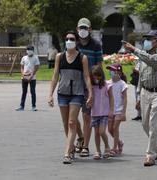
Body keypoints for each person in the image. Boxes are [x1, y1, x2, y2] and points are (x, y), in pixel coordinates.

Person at [123, 30, 157, 167]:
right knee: (145, 124)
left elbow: (153, 62)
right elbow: (141, 77)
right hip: (145, 92)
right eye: (146, 38)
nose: (147, 41)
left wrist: (134, 50)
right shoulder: (144, 55)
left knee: (153, 124)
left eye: (150, 38)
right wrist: (138, 96)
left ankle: (150, 155)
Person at [48, 31, 92, 164]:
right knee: (66, 123)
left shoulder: (82, 58)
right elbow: (55, 76)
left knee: (72, 122)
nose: (69, 41)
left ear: (76, 41)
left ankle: (67, 153)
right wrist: (50, 94)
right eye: (67, 39)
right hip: (62, 92)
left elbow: (86, 76)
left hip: (77, 93)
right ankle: (72, 147)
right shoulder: (59, 57)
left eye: (71, 39)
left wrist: (90, 93)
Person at [75, 17, 103, 157]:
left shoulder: (96, 45)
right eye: (81, 28)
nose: (83, 30)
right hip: (73, 86)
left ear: (90, 29)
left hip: (89, 86)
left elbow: (99, 66)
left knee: (86, 117)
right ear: (77, 29)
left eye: (86, 28)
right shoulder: (73, 44)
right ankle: (80, 137)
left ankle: (85, 146)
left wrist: (99, 83)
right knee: (72, 118)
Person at [90, 65, 113, 160]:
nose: (96, 78)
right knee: (96, 133)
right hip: (95, 112)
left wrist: (111, 110)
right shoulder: (91, 86)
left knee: (102, 131)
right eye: (94, 76)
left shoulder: (107, 85)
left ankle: (107, 146)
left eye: (98, 76)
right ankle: (98, 150)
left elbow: (111, 98)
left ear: (101, 75)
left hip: (104, 112)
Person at [106, 63, 127, 156]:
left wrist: (123, 112)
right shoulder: (108, 83)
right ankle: (119, 142)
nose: (111, 72)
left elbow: (125, 98)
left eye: (113, 70)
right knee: (110, 129)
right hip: (110, 109)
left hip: (119, 109)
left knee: (115, 128)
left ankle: (114, 148)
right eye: (110, 70)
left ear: (119, 72)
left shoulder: (122, 84)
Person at [15, 45, 40, 111]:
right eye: (28, 50)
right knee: (24, 92)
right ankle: (21, 106)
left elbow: (37, 67)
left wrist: (31, 76)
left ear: (33, 51)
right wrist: (23, 74)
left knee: (33, 91)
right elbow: (22, 67)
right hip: (24, 77)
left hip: (32, 78)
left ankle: (34, 106)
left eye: (30, 50)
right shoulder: (24, 58)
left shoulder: (35, 58)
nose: (29, 51)